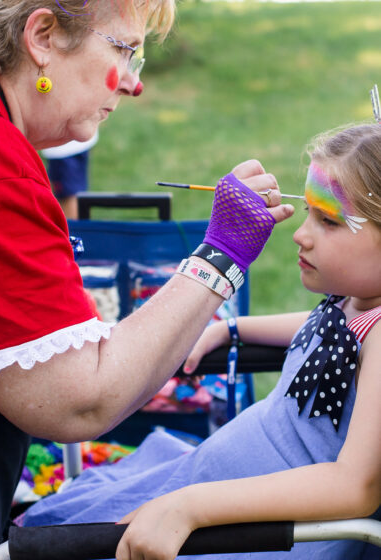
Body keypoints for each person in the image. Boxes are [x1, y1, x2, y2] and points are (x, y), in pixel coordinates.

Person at [0, 1, 291, 558]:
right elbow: (76, 401)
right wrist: (221, 256)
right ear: (44, 36)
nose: (134, 84)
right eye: (124, 50)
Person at [21, 123, 381, 560]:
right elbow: (323, 330)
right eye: (306, 212)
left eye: (327, 220)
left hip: (264, 533)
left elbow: (355, 486)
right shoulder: (355, 300)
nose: (300, 234)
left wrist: (191, 507)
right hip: (220, 479)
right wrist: (230, 329)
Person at [42, 134, 99, 219]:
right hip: (74, 142)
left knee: (69, 197)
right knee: (76, 193)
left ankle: (74, 230)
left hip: (63, 149)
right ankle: (78, 228)